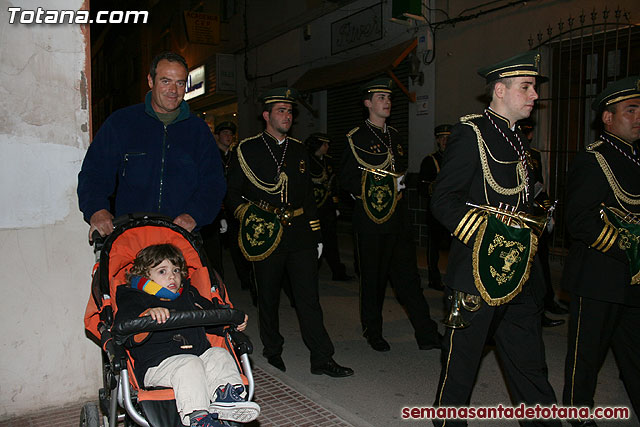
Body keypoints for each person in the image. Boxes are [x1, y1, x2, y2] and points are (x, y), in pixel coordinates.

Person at [430, 52, 560, 426]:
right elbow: (443, 200)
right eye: (527, 87)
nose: (534, 95)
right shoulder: (471, 133)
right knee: (459, 371)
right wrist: (485, 236)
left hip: (520, 273)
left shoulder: (516, 137)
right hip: (475, 272)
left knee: (530, 367)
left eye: (534, 87)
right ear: (500, 90)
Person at [225, 87, 353, 377]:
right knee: (268, 297)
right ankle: (273, 351)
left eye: (290, 111)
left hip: (299, 235)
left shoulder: (298, 150)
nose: (287, 116)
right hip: (266, 233)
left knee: (308, 299)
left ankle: (322, 358)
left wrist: (316, 234)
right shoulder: (247, 149)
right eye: (281, 111)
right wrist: (247, 218)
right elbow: (232, 193)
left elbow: (308, 196)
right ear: (267, 115)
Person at [339, 78, 441, 352]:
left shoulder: (395, 136)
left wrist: (397, 185)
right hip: (370, 221)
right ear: (368, 103)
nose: (386, 102)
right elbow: (346, 178)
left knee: (409, 279)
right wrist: (373, 190)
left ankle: (426, 333)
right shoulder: (355, 137)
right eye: (380, 97)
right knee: (373, 279)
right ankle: (373, 331)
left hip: (398, 218)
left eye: (388, 97)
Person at [561, 76, 640, 426]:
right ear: (608, 118)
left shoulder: (637, 158)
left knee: (635, 355)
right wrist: (629, 249)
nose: (638, 117)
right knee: (586, 356)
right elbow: (578, 221)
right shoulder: (593, 159)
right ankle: (578, 415)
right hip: (598, 275)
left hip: (633, 279)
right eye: (631, 110)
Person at [77, 52, 224, 237]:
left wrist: (195, 215)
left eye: (179, 83)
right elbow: (94, 172)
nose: (173, 90)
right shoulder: (122, 123)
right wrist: (97, 210)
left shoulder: (199, 131)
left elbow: (214, 183)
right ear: (150, 81)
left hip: (181, 238)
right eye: (165, 81)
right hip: (131, 236)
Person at [114, 244, 260, 427]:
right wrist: (146, 317)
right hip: (157, 366)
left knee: (219, 354)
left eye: (176, 270)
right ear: (144, 276)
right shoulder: (134, 297)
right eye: (162, 271)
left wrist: (232, 320)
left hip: (198, 356)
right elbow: (123, 332)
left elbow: (213, 316)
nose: (172, 276)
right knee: (190, 364)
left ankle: (227, 398)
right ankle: (198, 418)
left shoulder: (189, 294)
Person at [520, 119, 568, 328]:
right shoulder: (511, 151)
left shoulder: (535, 155)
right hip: (519, 216)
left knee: (542, 263)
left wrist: (547, 210)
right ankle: (535, 312)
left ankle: (547, 302)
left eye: (528, 133)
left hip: (536, 213)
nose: (526, 136)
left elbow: (539, 185)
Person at [305, 132, 352, 281]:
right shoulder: (305, 161)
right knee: (312, 243)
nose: (327, 147)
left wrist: (335, 205)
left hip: (328, 209)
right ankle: (309, 273)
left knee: (331, 241)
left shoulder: (329, 161)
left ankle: (338, 272)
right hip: (312, 210)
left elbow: (333, 185)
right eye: (325, 144)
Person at [418, 124, 453, 291]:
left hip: (454, 212)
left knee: (455, 248)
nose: (445, 141)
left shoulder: (458, 159)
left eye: (448, 138)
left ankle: (454, 279)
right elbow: (421, 188)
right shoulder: (430, 161)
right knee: (434, 248)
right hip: (436, 212)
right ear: (438, 141)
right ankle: (434, 278)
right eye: (442, 138)